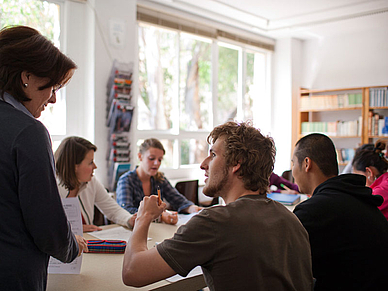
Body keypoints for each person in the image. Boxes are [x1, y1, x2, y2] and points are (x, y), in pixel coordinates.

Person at [122, 121, 313, 290]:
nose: (203, 164)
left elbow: (132, 272)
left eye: (213, 155)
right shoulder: (292, 220)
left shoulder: (214, 223)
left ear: (236, 163)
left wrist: (144, 216)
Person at [0, 25, 88, 290]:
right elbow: (46, 223)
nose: (53, 100)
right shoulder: (28, 132)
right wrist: (72, 246)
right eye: (52, 86)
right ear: (26, 77)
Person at [291, 133, 388, 291]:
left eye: (293, 163)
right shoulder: (359, 198)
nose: (293, 171)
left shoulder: (314, 211)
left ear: (307, 163)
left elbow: (285, 265)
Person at [55, 136, 136, 232]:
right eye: (90, 162)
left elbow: (112, 209)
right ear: (74, 166)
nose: (95, 166)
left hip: (86, 242)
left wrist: (130, 220)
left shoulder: (91, 182)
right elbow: (47, 228)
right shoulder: (51, 188)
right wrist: (73, 230)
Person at [116, 138, 202, 225]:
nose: (157, 163)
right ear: (140, 157)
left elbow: (178, 199)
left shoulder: (159, 179)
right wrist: (159, 216)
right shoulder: (126, 180)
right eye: (151, 158)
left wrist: (191, 208)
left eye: (160, 159)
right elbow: (125, 211)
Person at [352, 139, 388, 219]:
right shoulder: (385, 182)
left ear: (369, 172)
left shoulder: (381, 191)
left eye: (359, 176)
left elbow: (360, 212)